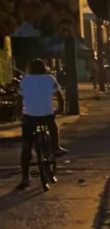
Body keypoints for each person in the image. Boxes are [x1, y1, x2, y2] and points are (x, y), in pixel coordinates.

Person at [16, 58, 67, 190]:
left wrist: (19, 114)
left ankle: (25, 178)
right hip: (46, 114)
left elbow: (19, 98)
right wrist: (60, 108)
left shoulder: (25, 79)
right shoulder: (50, 78)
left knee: (26, 147)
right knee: (53, 126)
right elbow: (59, 95)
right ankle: (56, 147)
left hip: (29, 116)